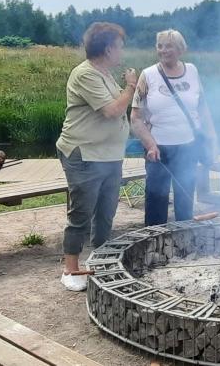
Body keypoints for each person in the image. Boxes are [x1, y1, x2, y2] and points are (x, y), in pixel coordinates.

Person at [56, 22, 137, 291]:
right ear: (107, 48)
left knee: (105, 213)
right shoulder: (85, 74)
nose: (122, 51)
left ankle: (100, 261)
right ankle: (70, 269)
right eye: (120, 46)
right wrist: (131, 87)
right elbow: (112, 110)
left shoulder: (106, 73)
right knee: (82, 211)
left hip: (110, 156)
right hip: (85, 154)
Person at [130, 29, 217, 225]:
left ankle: (183, 245)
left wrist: (212, 139)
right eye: (159, 46)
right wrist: (150, 144)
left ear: (180, 49)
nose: (163, 50)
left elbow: (203, 109)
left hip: (188, 147)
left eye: (168, 46)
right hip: (158, 149)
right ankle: (153, 244)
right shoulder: (148, 75)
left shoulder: (192, 71)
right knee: (156, 200)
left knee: (185, 200)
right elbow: (135, 117)